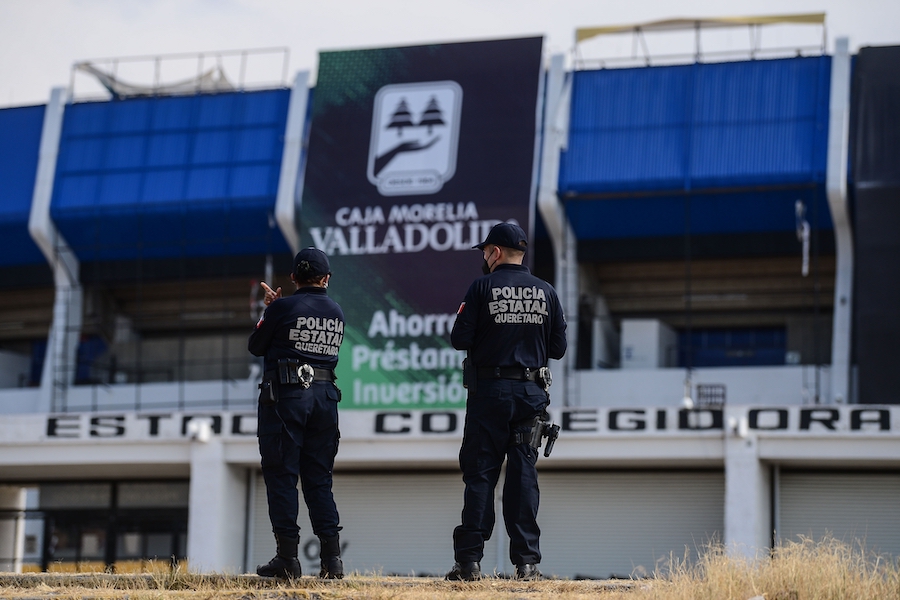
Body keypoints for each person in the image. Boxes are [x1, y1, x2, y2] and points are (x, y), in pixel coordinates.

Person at [446, 222, 567, 581]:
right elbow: (557, 349)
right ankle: (527, 564)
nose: (484, 257)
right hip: (531, 395)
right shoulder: (547, 291)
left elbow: (458, 338)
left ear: (495, 252)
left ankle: (469, 563)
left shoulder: (482, 287)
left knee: (481, 474)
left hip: (490, 395)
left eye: (485, 251)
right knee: (523, 476)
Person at [248, 247, 345, 579]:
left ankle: (287, 560)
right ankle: (332, 562)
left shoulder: (283, 307)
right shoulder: (337, 311)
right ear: (326, 279)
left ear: (293, 278)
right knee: (319, 481)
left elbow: (257, 345)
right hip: (325, 400)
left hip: (286, 399)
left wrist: (271, 311)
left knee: (282, 478)